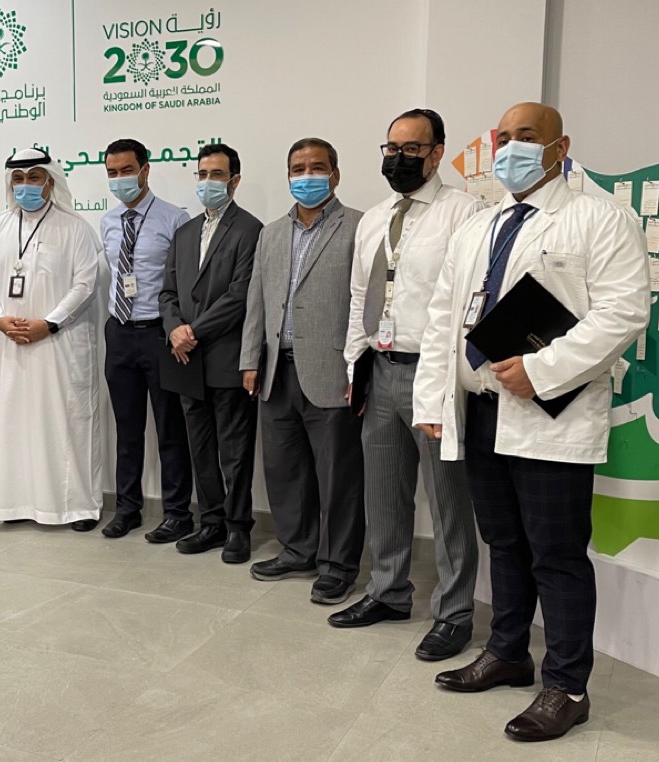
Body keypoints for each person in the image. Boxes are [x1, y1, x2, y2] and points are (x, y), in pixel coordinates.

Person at [415, 102, 648, 741]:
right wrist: (433, 399)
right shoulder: (479, 226)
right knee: (504, 541)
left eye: (527, 137)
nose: (511, 148)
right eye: (504, 138)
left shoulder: (599, 218)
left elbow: (624, 312)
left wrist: (542, 370)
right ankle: (508, 652)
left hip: (551, 414)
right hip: (482, 411)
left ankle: (567, 687)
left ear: (559, 146)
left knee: (557, 554)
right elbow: (444, 316)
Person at [329, 109, 483, 662]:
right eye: (391, 148)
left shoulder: (465, 213)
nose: (398, 158)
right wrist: (354, 364)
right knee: (384, 493)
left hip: (432, 373)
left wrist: (451, 377)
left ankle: (454, 612)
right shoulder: (375, 218)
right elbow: (359, 296)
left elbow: (470, 300)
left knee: (447, 500)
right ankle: (388, 591)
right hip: (379, 368)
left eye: (411, 149)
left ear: (437, 153)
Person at [240, 138, 365, 604]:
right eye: (298, 168)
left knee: (338, 477)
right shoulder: (272, 233)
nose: (306, 175)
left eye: (317, 167)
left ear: (335, 174)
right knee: (284, 469)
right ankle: (297, 550)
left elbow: (365, 304)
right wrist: (250, 359)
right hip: (277, 371)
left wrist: (359, 368)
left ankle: (338, 565)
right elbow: (257, 299)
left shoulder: (359, 227)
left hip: (333, 369)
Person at [0, 147, 103, 530]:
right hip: (13, 344)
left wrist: (50, 322)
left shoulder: (74, 228)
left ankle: (78, 507)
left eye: (34, 177)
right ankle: (16, 505)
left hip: (60, 344)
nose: (25, 185)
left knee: (67, 425)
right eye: (18, 178)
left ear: (49, 181)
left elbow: (85, 283)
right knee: (17, 424)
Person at [160, 144, 263, 563]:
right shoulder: (184, 232)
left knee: (234, 451)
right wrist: (173, 329)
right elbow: (167, 292)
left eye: (216, 175)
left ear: (234, 180)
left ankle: (238, 527)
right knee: (200, 448)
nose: (207, 182)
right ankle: (212, 523)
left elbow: (240, 296)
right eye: (202, 174)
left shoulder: (251, 230)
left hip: (226, 356)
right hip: (186, 360)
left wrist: (193, 331)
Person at [98, 138, 194, 542]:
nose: (119, 179)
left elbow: (183, 282)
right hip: (119, 331)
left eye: (126, 170)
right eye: (112, 173)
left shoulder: (176, 218)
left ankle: (177, 513)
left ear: (145, 170)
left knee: (170, 429)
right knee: (127, 428)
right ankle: (127, 509)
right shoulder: (107, 222)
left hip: (159, 334)